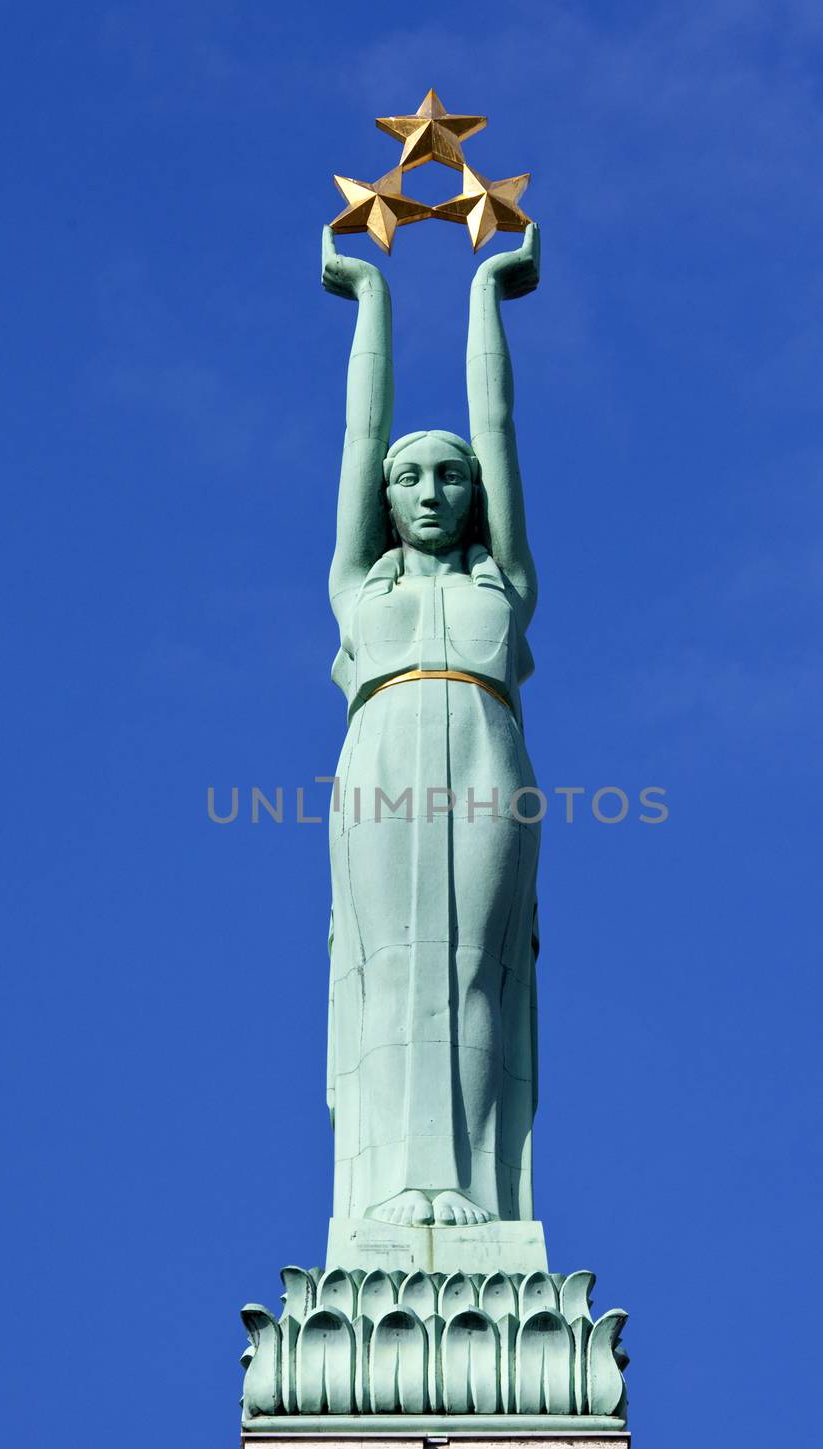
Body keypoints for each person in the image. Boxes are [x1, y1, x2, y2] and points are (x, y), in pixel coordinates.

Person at [321, 222, 542, 1228]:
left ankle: (468, 1184)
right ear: (384, 496)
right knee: (395, 955)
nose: (429, 491)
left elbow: (495, 427)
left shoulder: (507, 585)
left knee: (473, 961)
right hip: (381, 748)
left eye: (448, 477)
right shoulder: (356, 587)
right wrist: (371, 300)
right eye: (410, 478)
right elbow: (359, 437)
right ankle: (396, 1184)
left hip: (488, 748)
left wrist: (486, 294)